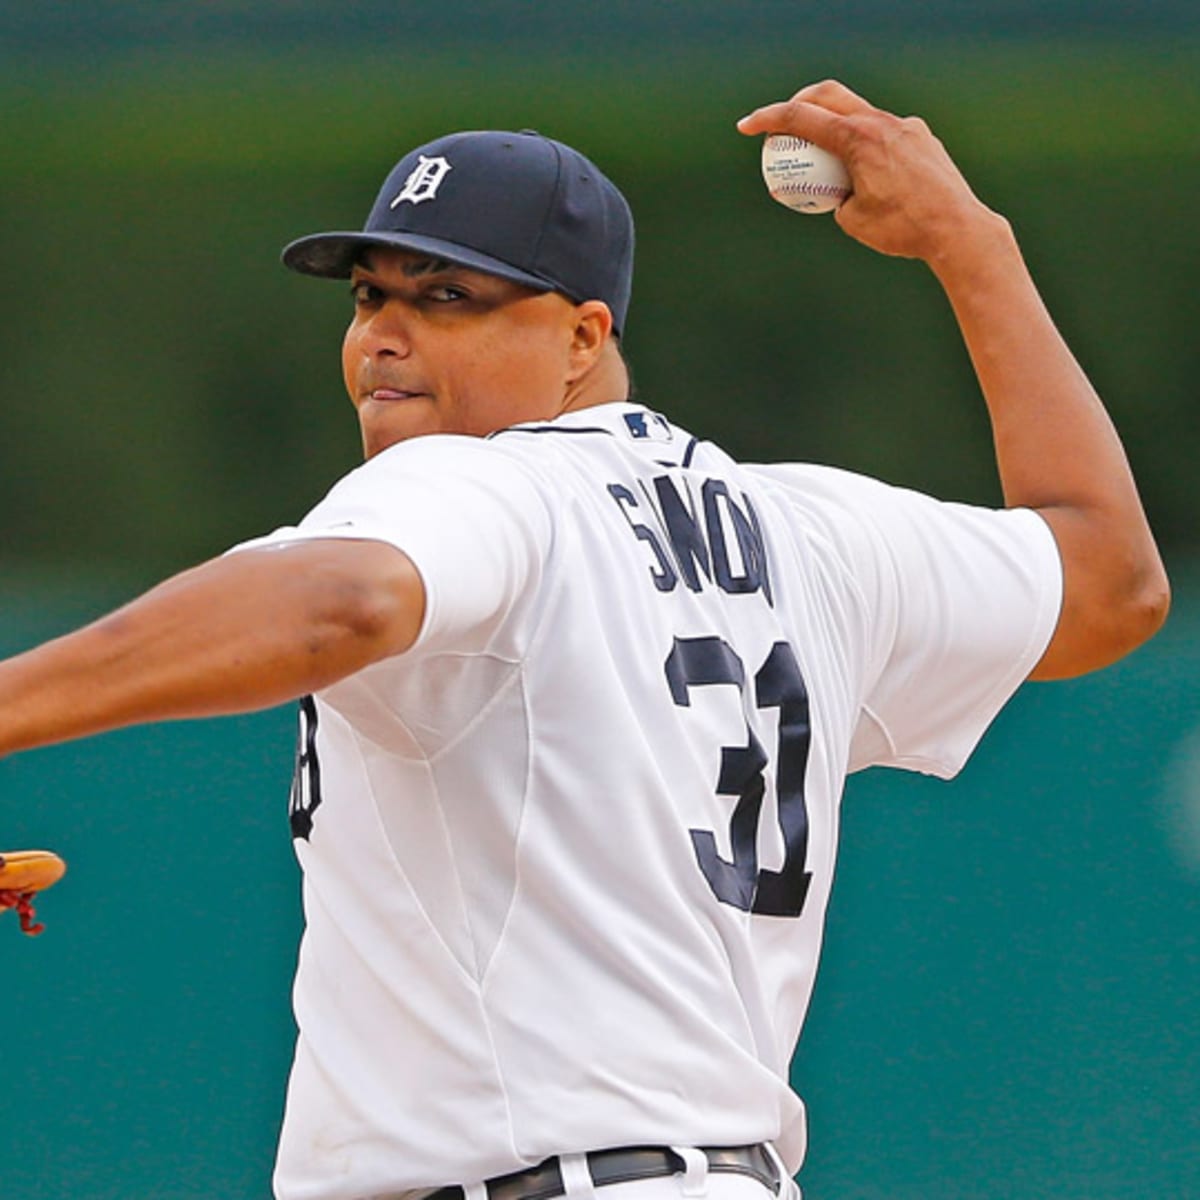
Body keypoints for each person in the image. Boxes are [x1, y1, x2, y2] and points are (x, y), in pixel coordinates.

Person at [0, 80, 1169, 1200]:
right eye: (370, 296)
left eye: (448, 297)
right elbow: (1109, 583)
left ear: (581, 336)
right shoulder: (808, 535)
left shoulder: (482, 489)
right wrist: (975, 248)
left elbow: (337, 605)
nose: (387, 337)